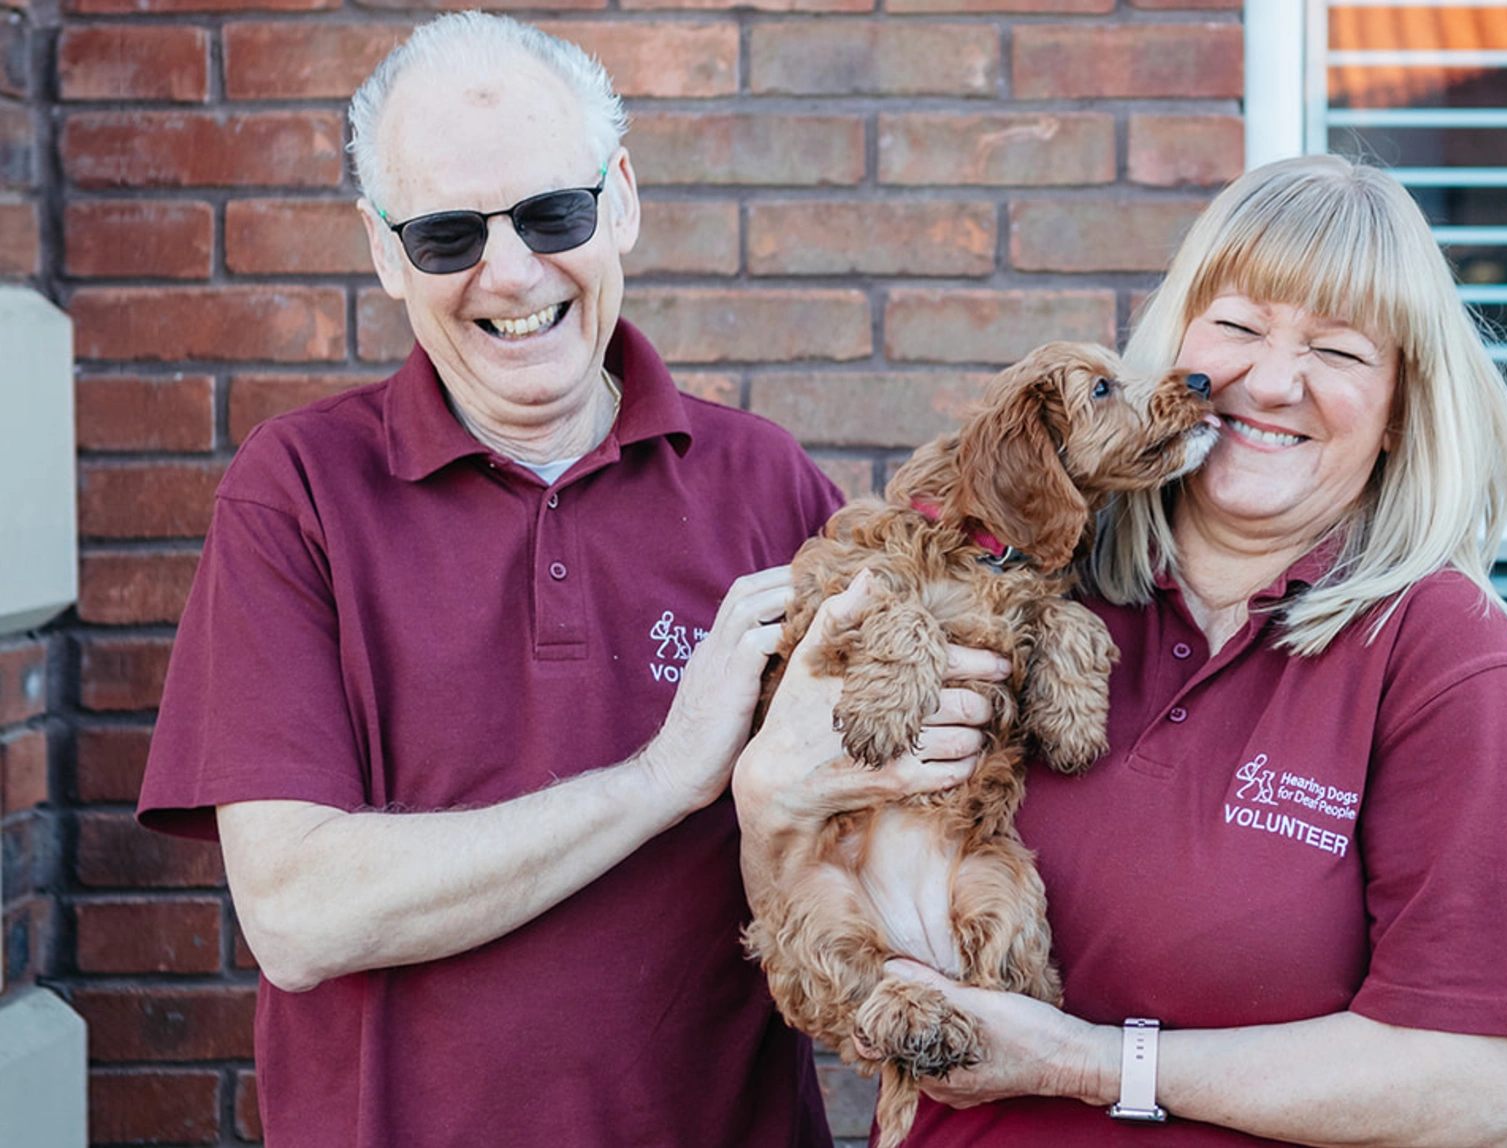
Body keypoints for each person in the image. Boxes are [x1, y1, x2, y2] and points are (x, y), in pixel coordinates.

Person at [135, 13, 994, 1147]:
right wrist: (659, 776)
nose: (511, 270)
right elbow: (297, 910)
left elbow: (905, 831)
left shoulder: (765, 482)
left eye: (553, 213)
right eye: (447, 235)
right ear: (386, 254)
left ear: (621, 198)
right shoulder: (297, 492)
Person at [733, 154, 1507, 1146]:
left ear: (1396, 413)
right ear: (1178, 343)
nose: (1275, 381)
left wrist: (1088, 1061)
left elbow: (1481, 1089)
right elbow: (823, 886)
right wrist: (765, 800)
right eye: (1242, 326)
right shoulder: (1031, 577)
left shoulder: (1436, 653)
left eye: (1338, 350)